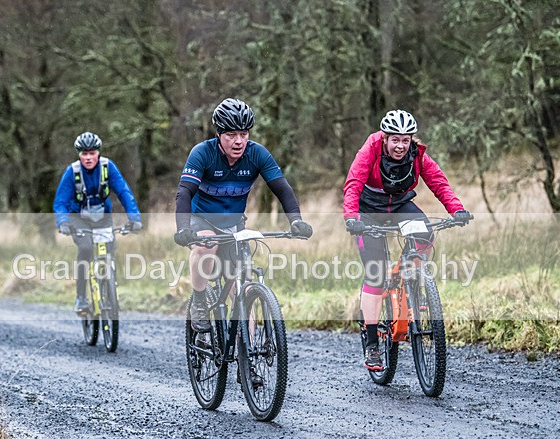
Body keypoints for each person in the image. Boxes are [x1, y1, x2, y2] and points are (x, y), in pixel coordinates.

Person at [342, 109, 472, 371]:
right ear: (385, 138)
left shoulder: (417, 154)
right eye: (395, 140)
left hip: (400, 206)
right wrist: (351, 217)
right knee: (375, 274)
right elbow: (353, 183)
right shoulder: (370, 149)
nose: (400, 145)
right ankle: (371, 345)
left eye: (405, 140)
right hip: (369, 211)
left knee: (425, 232)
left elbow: (438, 181)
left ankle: (410, 276)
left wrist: (456, 209)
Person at [174, 98, 313, 332]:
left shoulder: (257, 154)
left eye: (244, 133)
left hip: (234, 224)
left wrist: (296, 220)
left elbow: (282, 188)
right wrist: (182, 228)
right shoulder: (202, 153)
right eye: (231, 135)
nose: (238, 141)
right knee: (205, 247)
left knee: (243, 290)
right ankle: (199, 301)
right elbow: (184, 192)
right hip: (202, 219)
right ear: (218, 134)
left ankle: (245, 361)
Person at [54, 131, 142, 313]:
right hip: (78, 219)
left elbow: (124, 192)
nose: (88, 157)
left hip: (102, 218)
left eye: (92, 153)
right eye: (84, 154)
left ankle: (109, 285)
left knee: (109, 249)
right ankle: (81, 298)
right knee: (86, 248)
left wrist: (134, 218)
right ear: (79, 154)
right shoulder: (72, 171)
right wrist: (63, 222)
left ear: (98, 152)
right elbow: (61, 202)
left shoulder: (107, 167)